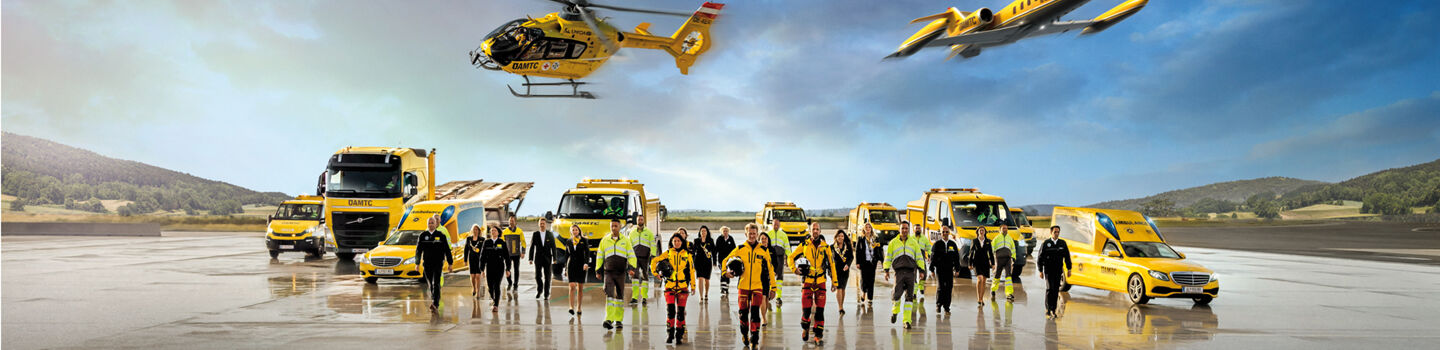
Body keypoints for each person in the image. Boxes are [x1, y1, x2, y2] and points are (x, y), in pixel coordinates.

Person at [722, 223, 773, 349]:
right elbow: (725, 260)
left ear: (757, 234)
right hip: (743, 287)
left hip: (757, 287)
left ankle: (755, 340)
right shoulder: (740, 248)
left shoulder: (764, 250)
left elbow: (770, 270)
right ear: (746, 234)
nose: (752, 236)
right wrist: (725, 272)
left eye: (754, 234)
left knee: (755, 314)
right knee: (743, 314)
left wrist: (773, 287)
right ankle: (744, 333)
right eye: (750, 233)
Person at [788, 222, 839, 344]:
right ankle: (805, 328)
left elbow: (832, 264)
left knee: (820, 311)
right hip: (808, 282)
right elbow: (791, 257)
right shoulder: (804, 245)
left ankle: (818, 336)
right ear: (810, 231)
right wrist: (794, 269)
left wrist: (835, 282)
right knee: (806, 312)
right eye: (813, 229)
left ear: (820, 231)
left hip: (821, 282)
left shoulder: (826, 247)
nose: (815, 231)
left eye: (817, 229)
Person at [654, 232, 697, 344]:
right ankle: (670, 334)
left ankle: (679, 335)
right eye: (674, 241)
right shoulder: (668, 253)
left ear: (682, 242)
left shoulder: (687, 255)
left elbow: (692, 271)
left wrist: (693, 286)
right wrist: (656, 273)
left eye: (678, 241)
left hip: (683, 288)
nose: (676, 243)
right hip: (670, 287)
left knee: (681, 313)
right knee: (671, 311)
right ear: (672, 242)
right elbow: (654, 261)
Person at [884, 221, 927, 329]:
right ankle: (895, 312)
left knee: (909, 297)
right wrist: (886, 270)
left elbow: (919, 257)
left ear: (909, 230)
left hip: (910, 273)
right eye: (902, 228)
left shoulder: (913, 242)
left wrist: (921, 270)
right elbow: (888, 257)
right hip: (898, 273)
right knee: (896, 295)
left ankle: (907, 321)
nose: (904, 230)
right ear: (899, 229)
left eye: (906, 228)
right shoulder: (893, 243)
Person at [596, 219, 638, 330]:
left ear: (620, 227)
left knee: (620, 296)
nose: (613, 228)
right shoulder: (605, 240)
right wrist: (598, 270)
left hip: (621, 273)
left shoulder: (626, 241)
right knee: (609, 294)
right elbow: (600, 256)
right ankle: (609, 319)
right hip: (608, 272)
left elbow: (631, 255)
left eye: (616, 226)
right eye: (612, 226)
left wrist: (631, 268)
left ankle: (619, 320)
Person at [415, 215, 453, 312]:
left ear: (436, 224)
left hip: (438, 263)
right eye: (429, 223)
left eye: (432, 223)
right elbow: (418, 250)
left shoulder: (441, 235)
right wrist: (417, 263)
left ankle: (435, 303)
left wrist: (450, 263)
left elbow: (447, 250)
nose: (431, 224)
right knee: (430, 284)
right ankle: (434, 298)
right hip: (427, 263)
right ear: (427, 224)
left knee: (436, 283)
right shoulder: (423, 236)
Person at [1037, 225, 1072, 319]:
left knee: (1056, 290)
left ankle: (1053, 309)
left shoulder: (1062, 243)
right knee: (1050, 289)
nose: (1056, 234)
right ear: (1051, 233)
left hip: (1058, 270)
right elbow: (1040, 257)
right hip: (1048, 270)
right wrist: (1040, 270)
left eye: (1058, 232)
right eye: (1055, 232)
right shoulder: (1046, 243)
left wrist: (1069, 269)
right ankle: (1048, 310)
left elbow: (1067, 257)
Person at [563, 224, 593, 318]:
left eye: (576, 230)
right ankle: (571, 307)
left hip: (581, 266)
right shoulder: (568, 241)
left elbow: (587, 253)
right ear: (571, 231)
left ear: (579, 231)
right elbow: (566, 255)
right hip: (571, 265)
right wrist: (565, 268)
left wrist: (586, 263)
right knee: (572, 286)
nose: (575, 231)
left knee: (580, 288)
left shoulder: (584, 240)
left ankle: (579, 307)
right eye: (573, 230)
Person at [930, 225, 961, 314]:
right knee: (941, 287)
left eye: (947, 232)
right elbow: (933, 258)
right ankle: (938, 304)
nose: (945, 233)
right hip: (940, 269)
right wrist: (932, 269)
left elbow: (956, 257)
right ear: (941, 233)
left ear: (949, 233)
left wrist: (957, 269)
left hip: (949, 269)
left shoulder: (953, 244)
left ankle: (947, 307)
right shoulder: (937, 244)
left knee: (949, 287)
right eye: (943, 232)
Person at [479, 224, 511, 312]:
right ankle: (493, 299)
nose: (493, 232)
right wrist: (482, 269)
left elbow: (507, 257)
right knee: (490, 287)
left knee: (497, 285)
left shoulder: (502, 243)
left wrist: (508, 269)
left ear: (498, 232)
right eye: (492, 231)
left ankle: (496, 304)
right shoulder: (487, 242)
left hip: (499, 267)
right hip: (489, 267)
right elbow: (482, 256)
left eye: (495, 230)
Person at [630, 215, 660, 305]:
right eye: (638, 219)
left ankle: (644, 297)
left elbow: (653, 244)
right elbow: (629, 245)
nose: (640, 221)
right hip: (634, 258)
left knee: (645, 276)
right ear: (636, 221)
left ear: (644, 221)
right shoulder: (632, 233)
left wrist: (653, 255)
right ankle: (634, 297)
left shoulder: (649, 232)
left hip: (645, 257)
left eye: (641, 219)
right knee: (635, 277)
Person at [855, 223, 883, 307]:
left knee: (871, 280)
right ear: (864, 229)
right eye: (866, 227)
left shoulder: (875, 238)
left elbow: (879, 249)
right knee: (864, 279)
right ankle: (864, 292)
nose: (868, 228)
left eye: (869, 227)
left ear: (871, 228)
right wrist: (857, 262)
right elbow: (857, 251)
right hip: (864, 262)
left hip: (872, 262)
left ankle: (870, 298)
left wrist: (880, 260)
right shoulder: (861, 238)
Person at [529, 217, 557, 299]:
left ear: (546, 225)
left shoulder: (550, 234)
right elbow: (532, 247)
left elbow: (553, 247)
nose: (542, 225)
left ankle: (546, 293)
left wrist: (555, 258)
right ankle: (540, 290)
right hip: (538, 258)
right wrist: (530, 258)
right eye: (540, 223)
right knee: (537, 276)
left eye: (543, 224)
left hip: (547, 258)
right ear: (539, 224)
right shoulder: (535, 234)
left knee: (547, 277)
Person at [765, 218, 791, 304]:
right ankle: (769, 294)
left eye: (777, 224)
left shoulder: (783, 234)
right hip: (770, 258)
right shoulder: (768, 234)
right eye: (774, 224)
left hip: (780, 258)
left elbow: (787, 247)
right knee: (769, 276)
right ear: (772, 225)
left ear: (779, 225)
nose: (776, 226)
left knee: (779, 277)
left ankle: (778, 297)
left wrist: (789, 259)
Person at [990, 224, 1019, 302]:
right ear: (1000, 230)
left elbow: (1013, 248)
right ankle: (993, 289)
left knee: (1008, 276)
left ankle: (1009, 293)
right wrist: (991, 259)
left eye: (1006, 228)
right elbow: (991, 249)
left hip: (1008, 260)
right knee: (997, 275)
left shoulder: (1010, 238)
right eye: (1003, 228)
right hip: (998, 260)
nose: (1005, 230)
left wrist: (1013, 258)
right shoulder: (996, 238)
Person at [757, 234, 780, 325]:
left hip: (768, 276)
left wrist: (774, 273)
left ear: (768, 240)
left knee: (766, 298)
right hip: (759, 276)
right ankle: (763, 318)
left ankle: (764, 315)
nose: (763, 240)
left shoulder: (771, 250)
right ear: (759, 240)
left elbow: (775, 263)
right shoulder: (757, 250)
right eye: (762, 238)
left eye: (765, 238)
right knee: (763, 297)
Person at [831, 229, 854, 315]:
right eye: (839, 236)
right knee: (839, 288)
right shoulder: (832, 247)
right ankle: (840, 307)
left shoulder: (847, 246)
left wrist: (848, 265)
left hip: (845, 270)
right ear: (836, 237)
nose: (840, 238)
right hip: (836, 271)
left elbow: (851, 257)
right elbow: (829, 259)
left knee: (843, 289)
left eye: (842, 236)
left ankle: (841, 305)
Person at [970, 226, 994, 306]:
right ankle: (978, 298)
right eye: (980, 230)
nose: (981, 232)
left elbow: (990, 253)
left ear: (985, 232)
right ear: (977, 232)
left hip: (985, 263)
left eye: (983, 230)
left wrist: (993, 264)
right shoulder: (974, 241)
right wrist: (970, 263)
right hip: (977, 262)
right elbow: (971, 252)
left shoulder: (988, 241)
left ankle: (981, 298)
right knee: (979, 279)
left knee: (984, 281)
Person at [502, 216, 526, 293]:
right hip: (507, 254)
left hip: (516, 254)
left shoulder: (519, 231)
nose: (511, 222)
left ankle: (515, 284)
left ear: (515, 222)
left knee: (516, 270)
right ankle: (510, 282)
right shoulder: (504, 231)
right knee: (507, 269)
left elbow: (523, 242)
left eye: (512, 221)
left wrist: (523, 252)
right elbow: (501, 243)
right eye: (510, 221)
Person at [692, 226, 716, 302]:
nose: (703, 232)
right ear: (700, 232)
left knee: (707, 279)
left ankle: (706, 293)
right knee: (700, 278)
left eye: (704, 231)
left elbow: (714, 252)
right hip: (698, 261)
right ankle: (701, 296)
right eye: (702, 231)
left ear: (707, 232)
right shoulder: (696, 240)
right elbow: (693, 252)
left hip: (707, 262)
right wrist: (692, 261)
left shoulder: (710, 241)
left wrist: (715, 262)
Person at [714, 226, 738, 298]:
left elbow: (734, 249)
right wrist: (714, 261)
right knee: (723, 272)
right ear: (722, 232)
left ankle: (726, 287)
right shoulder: (719, 239)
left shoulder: (731, 239)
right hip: (721, 260)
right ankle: (722, 288)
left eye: (726, 231)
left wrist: (735, 258)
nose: (725, 232)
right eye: (724, 231)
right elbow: (716, 250)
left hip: (729, 260)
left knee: (728, 273)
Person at [465, 224, 486, 299]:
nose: (475, 231)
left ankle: (478, 291)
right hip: (471, 259)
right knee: (473, 276)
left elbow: (484, 251)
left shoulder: (482, 239)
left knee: (477, 276)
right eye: (474, 229)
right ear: (472, 230)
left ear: (479, 231)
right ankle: (473, 288)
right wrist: (465, 260)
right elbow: (466, 250)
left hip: (479, 260)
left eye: (476, 229)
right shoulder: (469, 239)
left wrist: (485, 260)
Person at [913, 222, 930, 304]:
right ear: (914, 230)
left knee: (924, 274)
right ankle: (914, 292)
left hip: (922, 258)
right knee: (913, 276)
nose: (918, 230)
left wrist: (929, 255)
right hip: (913, 258)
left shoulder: (924, 238)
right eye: (916, 228)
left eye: (919, 228)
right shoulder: (910, 238)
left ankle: (921, 287)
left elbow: (928, 247)